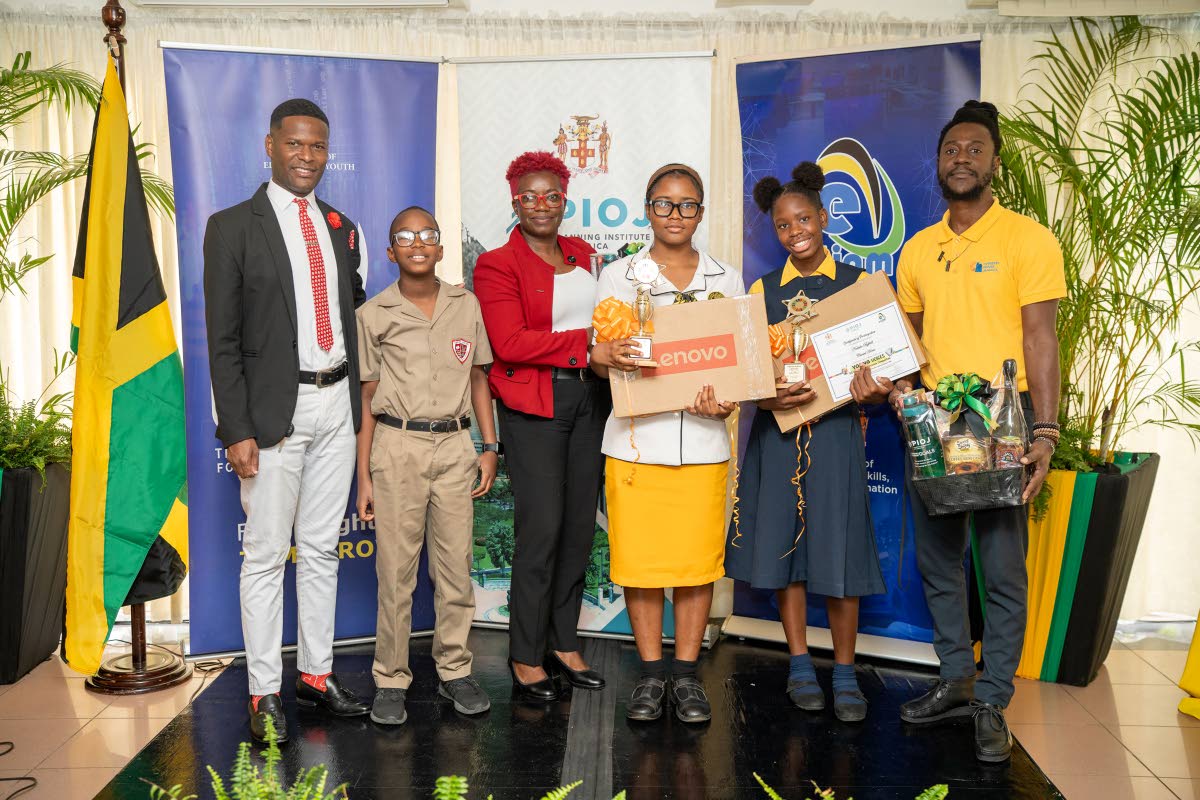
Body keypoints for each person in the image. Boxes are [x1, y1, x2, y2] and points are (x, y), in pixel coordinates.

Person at [851, 100, 1065, 762]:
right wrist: (897, 389)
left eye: (975, 149)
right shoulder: (919, 247)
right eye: (951, 150)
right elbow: (903, 343)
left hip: (1001, 411)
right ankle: (954, 681)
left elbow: (1041, 335)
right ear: (938, 164)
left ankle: (993, 701)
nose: (962, 158)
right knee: (938, 560)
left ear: (996, 162)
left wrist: (1047, 429)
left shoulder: (1028, 239)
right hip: (935, 416)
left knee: (1000, 565)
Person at [203, 98, 369, 743]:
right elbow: (222, 339)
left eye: (318, 146)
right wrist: (236, 428)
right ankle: (264, 690)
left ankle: (317, 677)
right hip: (274, 412)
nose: (307, 156)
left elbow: (350, 316)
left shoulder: (340, 225)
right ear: (270, 145)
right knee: (268, 556)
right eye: (295, 144)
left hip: (336, 403)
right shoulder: (232, 226)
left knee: (323, 548)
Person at [725, 162, 886, 723]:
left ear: (823, 217)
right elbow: (747, 373)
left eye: (803, 218)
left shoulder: (861, 285)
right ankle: (798, 663)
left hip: (837, 432)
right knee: (784, 551)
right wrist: (765, 399)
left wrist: (873, 387)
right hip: (777, 434)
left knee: (838, 550)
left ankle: (844, 672)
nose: (795, 230)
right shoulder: (762, 291)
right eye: (782, 224)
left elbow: (882, 360)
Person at [591, 163, 744, 724]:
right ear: (647, 209)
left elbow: (735, 362)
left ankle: (686, 676)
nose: (675, 215)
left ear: (700, 213)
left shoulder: (725, 279)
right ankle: (652, 677)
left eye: (686, 205)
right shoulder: (618, 277)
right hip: (636, 444)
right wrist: (607, 354)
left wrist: (725, 399)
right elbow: (597, 351)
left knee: (696, 565)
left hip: (703, 442)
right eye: (664, 203)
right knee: (643, 564)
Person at [473, 151, 610, 700]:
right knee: (542, 529)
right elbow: (508, 344)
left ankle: (564, 641)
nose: (541, 206)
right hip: (535, 405)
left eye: (551, 196)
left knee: (579, 527)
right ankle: (525, 653)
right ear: (514, 202)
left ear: (565, 200)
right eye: (528, 197)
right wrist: (587, 346)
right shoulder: (497, 265)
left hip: (591, 400)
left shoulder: (583, 255)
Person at [355, 207, 499, 725]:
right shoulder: (374, 314)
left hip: (456, 446)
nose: (418, 243)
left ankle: (455, 669)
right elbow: (367, 397)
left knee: (455, 569)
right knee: (395, 571)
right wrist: (364, 475)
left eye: (429, 235)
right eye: (405, 237)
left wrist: (489, 446)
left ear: (441, 248)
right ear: (391, 251)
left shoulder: (466, 305)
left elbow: (479, 377)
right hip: (397, 448)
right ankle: (390, 677)